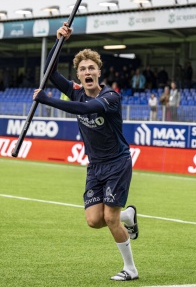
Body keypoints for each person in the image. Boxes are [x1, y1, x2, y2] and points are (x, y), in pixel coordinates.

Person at [33, 22, 139, 281]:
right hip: (96, 166)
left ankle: (131, 269)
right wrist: (60, 41)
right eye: (82, 69)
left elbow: (85, 110)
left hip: (117, 163)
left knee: (110, 219)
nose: (87, 71)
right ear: (78, 75)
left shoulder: (111, 98)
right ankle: (128, 214)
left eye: (91, 67)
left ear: (98, 72)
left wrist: (47, 100)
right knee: (94, 220)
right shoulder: (75, 91)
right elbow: (51, 72)